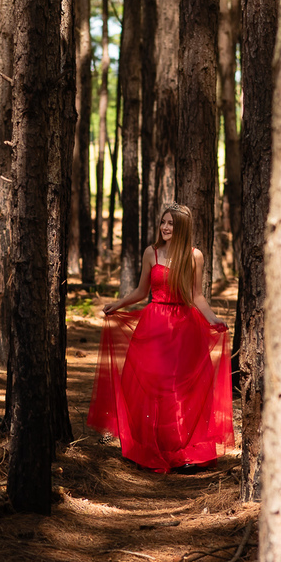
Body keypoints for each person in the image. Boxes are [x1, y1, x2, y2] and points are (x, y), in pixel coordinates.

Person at [87, 203, 234, 473]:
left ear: (182, 229)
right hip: (154, 325)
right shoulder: (151, 253)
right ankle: (147, 448)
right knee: (151, 385)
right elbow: (142, 292)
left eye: (172, 224)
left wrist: (212, 319)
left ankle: (184, 452)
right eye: (163, 222)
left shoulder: (194, 256)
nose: (166, 228)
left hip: (183, 327)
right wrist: (118, 305)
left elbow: (196, 295)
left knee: (180, 390)